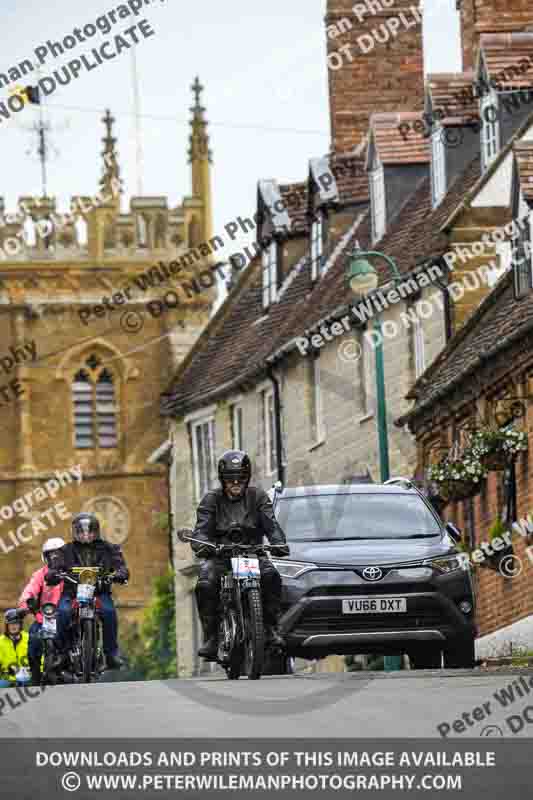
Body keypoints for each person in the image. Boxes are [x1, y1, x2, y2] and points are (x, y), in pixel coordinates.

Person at [191, 449, 290, 660]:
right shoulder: (211, 499)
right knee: (205, 584)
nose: (236, 483)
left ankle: (271, 629)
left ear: (247, 478)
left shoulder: (258, 496)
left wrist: (279, 542)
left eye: (241, 478)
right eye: (230, 479)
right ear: (222, 479)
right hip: (221, 558)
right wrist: (203, 544)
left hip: (252, 555)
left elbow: (271, 525)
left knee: (272, 576)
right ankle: (211, 638)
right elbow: (201, 529)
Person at [45, 512, 129, 670]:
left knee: (109, 612)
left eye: (89, 531)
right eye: (81, 531)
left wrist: (119, 573)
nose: (85, 535)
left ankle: (110, 654)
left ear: (96, 531)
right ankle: (63, 655)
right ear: (74, 532)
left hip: (99, 592)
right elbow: (54, 567)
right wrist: (53, 573)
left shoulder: (109, 548)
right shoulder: (64, 550)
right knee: (62, 612)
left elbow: (121, 566)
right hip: (72, 593)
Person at [17, 537, 65, 686]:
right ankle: (36, 677)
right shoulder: (40, 574)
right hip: (43, 618)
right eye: (51, 554)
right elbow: (28, 591)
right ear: (46, 557)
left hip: (66, 618)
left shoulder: (71, 572)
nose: (55, 557)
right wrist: (24, 606)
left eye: (59, 554)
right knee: (33, 642)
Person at [0, 608, 29, 687]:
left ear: (20, 625)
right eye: (11, 624)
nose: (13, 626)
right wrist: (8, 670)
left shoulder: (29, 638)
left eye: (16, 623)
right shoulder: (1, 641)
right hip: (7, 677)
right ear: (7, 626)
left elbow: (40, 658)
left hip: (27, 676)